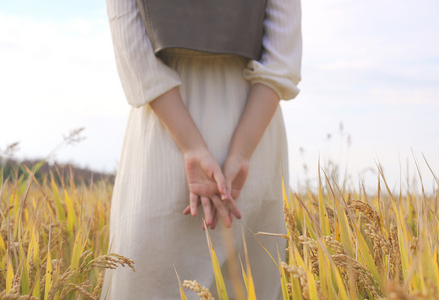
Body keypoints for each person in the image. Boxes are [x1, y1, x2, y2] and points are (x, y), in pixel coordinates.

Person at [101, 0, 301, 298]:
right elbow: (282, 61)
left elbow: (134, 53)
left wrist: (192, 147)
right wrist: (241, 153)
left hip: (166, 128)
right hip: (253, 127)